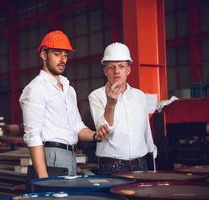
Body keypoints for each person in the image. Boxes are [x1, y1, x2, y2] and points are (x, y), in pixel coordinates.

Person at [19, 30, 109, 178]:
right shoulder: (36, 88)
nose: (63, 59)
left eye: (66, 54)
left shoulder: (69, 89)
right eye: (57, 53)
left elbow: (77, 127)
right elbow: (33, 136)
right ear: (43, 55)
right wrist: (43, 179)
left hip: (70, 156)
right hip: (50, 156)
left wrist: (96, 135)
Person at [88, 42, 157, 175]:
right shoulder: (96, 96)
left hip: (140, 165)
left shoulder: (140, 96)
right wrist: (111, 103)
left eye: (121, 66)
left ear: (128, 70)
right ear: (105, 71)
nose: (117, 71)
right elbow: (104, 131)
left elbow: (146, 132)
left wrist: (152, 163)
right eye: (111, 67)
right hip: (111, 166)